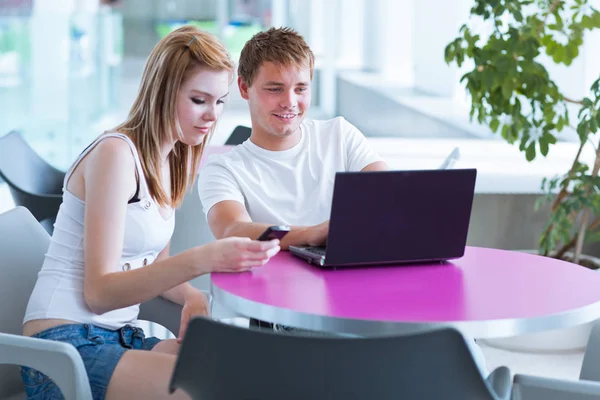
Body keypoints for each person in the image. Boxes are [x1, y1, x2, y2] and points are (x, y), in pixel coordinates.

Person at [21, 26, 280, 400]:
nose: (211, 116)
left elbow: (155, 267)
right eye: (198, 99)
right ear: (162, 91)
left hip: (117, 338)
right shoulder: (116, 154)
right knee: (202, 386)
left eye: (220, 101)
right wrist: (201, 260)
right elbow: (99, 293)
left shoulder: (168, 160)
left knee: (237, 370)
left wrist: (192, 296)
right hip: (61, 346)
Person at [198, 27, 387, 252]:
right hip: (267, 285)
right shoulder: (223, 169)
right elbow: (232, 230)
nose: (290, 101)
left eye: (300, 89)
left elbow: (388, 195)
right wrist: (311, 234)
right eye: (275, 89)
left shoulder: (340, 135)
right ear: (243, 87)